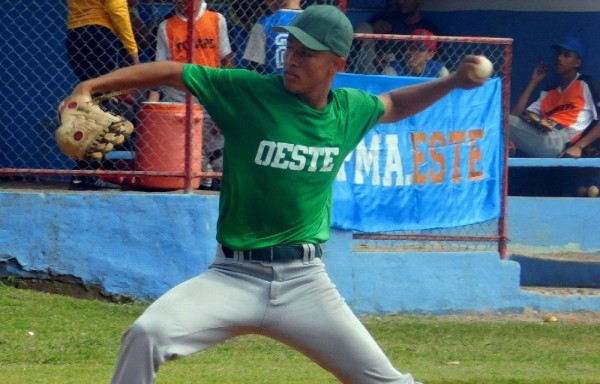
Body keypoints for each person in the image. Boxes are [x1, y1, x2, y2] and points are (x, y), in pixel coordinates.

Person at [64, 5, 485, 383]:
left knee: (386, 381)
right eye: (293, 48)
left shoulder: (349, 110)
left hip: (305, 284)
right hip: (232, 276)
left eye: (308, 53)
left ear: (336, 63)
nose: (293, 60)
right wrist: (90, 86)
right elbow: (174, 72)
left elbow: (393, 103)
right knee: (146, 335)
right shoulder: (249, 92)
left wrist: (450, 84)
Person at [149, 0, 234, 190]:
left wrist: (227, 104)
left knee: (221, 161)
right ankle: (201, 183)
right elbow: (159, 70)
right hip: (178, 98)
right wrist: (152, 109)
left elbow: (227, 60)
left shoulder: (216, 19)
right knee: (191, 160)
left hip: (210, 95)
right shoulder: (167, 26)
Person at [65, 0, 139, 190]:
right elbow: (117, 8)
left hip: (75, 34)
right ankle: (86, 170)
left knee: (91, 103)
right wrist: (132, 50)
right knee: (103, 105)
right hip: (98, 34)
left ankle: (85, 170)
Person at [509, 37, 600, 158]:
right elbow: (515, 116)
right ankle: (507, 147)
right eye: (558, 54)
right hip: (541, 135)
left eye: (566, 55)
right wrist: (534, 82)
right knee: (503, 121)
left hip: (559, 140)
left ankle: (508, 147)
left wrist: (579, 146)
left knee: (499, 120)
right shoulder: (549, 92)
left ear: (577, 62)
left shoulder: (586, 84)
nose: (559, 58)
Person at [350, 0, 442, 74]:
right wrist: (373, 27)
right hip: (373, 67)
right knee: (363, 26)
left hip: (404, 71)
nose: (401, 2)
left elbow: (431, 58)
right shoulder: (384, 18)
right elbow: (367, 46)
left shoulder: (428, 28)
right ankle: (348, 72)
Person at [242, 0, 303, 74]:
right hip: (307, 81)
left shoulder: (264, 23)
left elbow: (252, 64)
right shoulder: (313, 21)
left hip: (272, 82)